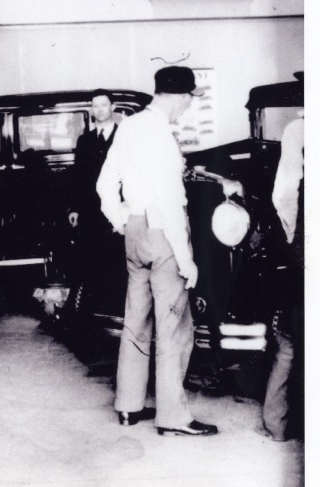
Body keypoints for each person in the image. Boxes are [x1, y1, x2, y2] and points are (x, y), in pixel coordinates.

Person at [96, 65, 217, 437]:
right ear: (179, 97)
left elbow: (104, 184)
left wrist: (122, 221)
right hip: (163, 231)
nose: (188, 109)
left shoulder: (128, 125)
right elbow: (168, 202)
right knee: (174, 325)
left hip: (134, 228)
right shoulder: (162, 136)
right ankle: (173, 417)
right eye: (189, 101)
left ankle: (129, 405)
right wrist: (185, 259)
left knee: (136, 318)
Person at [260, 112, 304, 441]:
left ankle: (276, 424)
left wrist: (292, 239)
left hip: (301, 251)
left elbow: (283, 196)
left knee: (288, 342)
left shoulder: (297, 128)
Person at [66, 90, 126, 313]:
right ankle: (93, 315)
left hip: (118, 211)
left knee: (117, 261)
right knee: (91, 262)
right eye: (95, 106)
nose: (99, 110)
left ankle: (117, 311)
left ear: (113, 107)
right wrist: (75, 208)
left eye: (103, 105)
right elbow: (79, 177)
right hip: (91, 211)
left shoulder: (124, 137)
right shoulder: (85, 140)